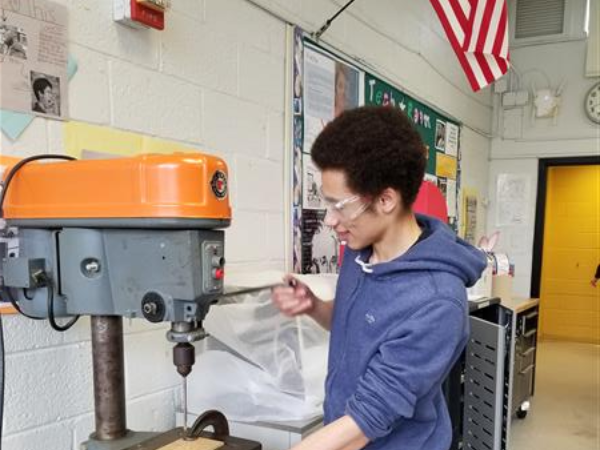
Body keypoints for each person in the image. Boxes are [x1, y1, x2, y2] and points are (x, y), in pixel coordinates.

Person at [272, 106, 486, 450]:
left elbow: (367, 420)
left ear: (386, 200)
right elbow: (355, 323)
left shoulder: (438, 301)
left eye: (340, 205)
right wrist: (314, 306)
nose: (329, 220)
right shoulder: (361, 251)